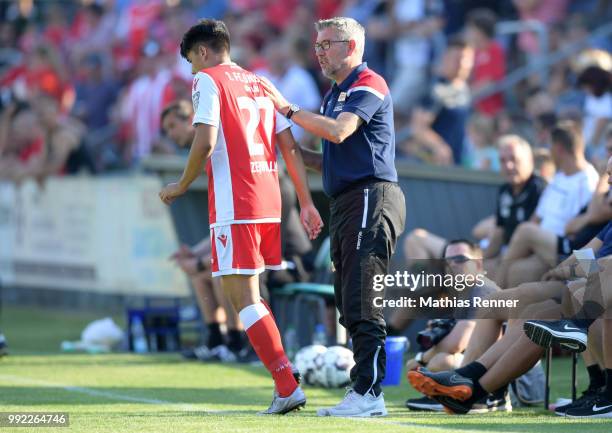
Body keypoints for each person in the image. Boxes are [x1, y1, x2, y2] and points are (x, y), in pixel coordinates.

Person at [158, 19, 323, 415]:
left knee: (243, 298)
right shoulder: (260, 81)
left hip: (237, 199)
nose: (192, 73)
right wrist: (306, 202)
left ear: (202, 52)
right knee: (248, 296)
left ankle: (286, 382)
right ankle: (284, 378)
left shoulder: (208, 81)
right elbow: (290, 146)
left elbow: (206, 137)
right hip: (270, 200)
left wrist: (182, 184)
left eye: (192, 64)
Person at [260, 16, 406, 417]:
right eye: (317, 44)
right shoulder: (333, 94)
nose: (319, 51)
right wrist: (282, 147)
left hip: (371, 198)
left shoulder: (368, 83)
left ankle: (369, 393)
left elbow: (339, 133)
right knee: (346, 299)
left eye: (327, 44)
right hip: (347, 201)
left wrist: (287, 109)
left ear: (352, 46)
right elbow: (324, 158)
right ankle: (364, 391)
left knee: (361, 296)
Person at [404, 239, 501, 412]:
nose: (453, 264)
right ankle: (442, 395)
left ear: (478, 264)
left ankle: (449, 397)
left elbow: (458, 342)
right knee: (439, 361)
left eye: (460, 259)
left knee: (442, 361)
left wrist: (420, 359)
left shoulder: (481, 289)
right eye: (447, 261)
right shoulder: (465, 291)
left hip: (511, 377)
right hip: (497, 368)